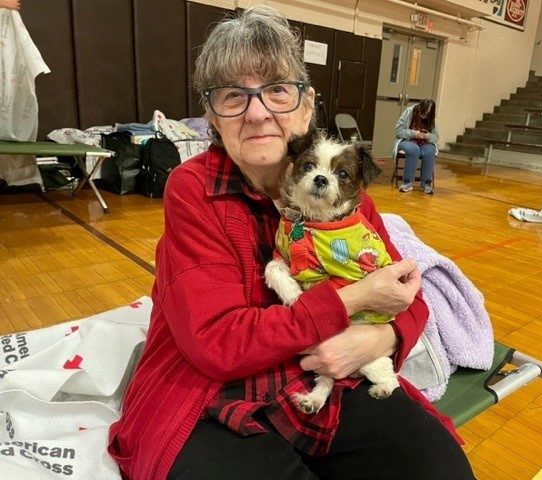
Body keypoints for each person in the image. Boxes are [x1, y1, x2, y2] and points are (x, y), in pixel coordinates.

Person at [108, 6, 475, 480]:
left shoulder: (342, 191)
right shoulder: (193, 189)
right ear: (212, 117)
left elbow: (409, 293)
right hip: (209, 390)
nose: (257, 112)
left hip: (324, 370)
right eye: (233, 95)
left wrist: (382, 336)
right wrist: (351, 300)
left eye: (277, 90)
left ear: (306, 105)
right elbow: (215, 345)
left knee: (439, 470)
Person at [394, 99, 439, 194]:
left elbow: (436, 136)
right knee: (414, 150)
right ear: (420, 108)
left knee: (430, 151)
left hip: (424, 142)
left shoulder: (431, 119)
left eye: (427, 114)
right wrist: (413, 134)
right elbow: (398, 131)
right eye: (423, 113)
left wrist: (428, 136)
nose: (425, 116)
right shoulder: (409, 112)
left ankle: (426, 184)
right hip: (407, 140)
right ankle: (408, 182)